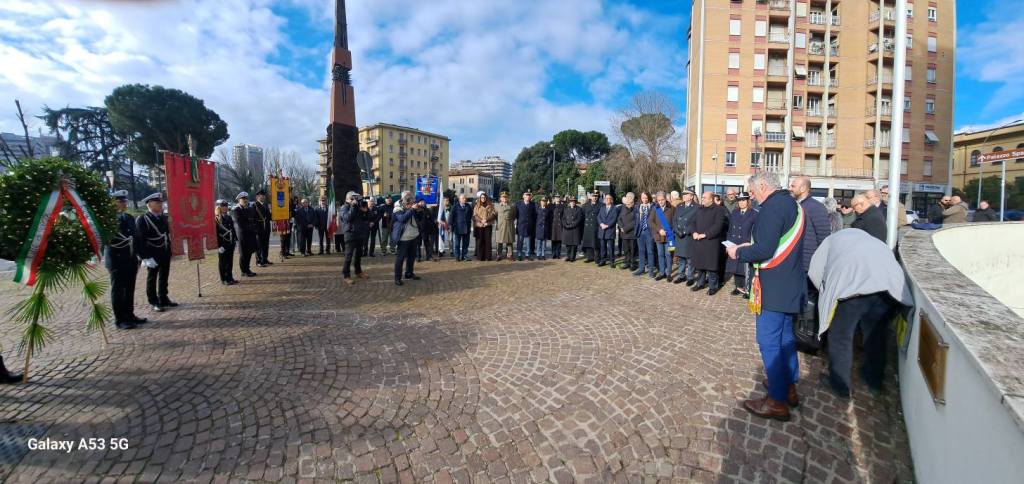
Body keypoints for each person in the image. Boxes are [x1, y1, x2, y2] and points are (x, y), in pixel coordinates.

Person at [726, 171, 805, 421]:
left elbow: (764, 249)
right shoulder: (792, 204)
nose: (751, 196)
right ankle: (788, 387)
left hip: (774, 286)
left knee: (769, 341)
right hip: (790, 283)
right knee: (785, 339)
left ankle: (776, 401)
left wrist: (738, 252)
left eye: (751, 191)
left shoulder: (772, 207)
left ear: (762, 186)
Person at [808, 229, 913, 397]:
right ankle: (874, 380)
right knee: (876, 335)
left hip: (852, 293)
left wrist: (824, 292)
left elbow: (816, 272)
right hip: (887, 291)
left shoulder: (831, 240)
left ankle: (840, 384)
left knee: (840, 337)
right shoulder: (874, 241)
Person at [105, 190, 145, 329]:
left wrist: (141, 256)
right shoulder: (107, 219)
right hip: (116, 259)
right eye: (121, 201)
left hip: (130, 258)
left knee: (129, 289)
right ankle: (120, 319)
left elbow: (136, 237)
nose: (124, 203)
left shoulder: (128, 217)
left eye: (124, 201)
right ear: (113, 203)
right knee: (118, 290)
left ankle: (130, 315)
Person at [136, 192, 176, 312]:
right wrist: (146, 257)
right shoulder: (143, 219)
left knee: (164, 275)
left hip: (164, 251)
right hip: (152, 253)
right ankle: (153, 301)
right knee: (152, 278)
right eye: (158, 203)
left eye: (161, 203)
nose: (161, 205)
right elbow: (140, 240)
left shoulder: (163, 217)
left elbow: (167, 234)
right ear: (150, 204)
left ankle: (163, 297)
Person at [789, 176, 832, 273]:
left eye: (793, 186)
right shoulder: (793, 205)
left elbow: (824, 237)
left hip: (807, 263)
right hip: (794, 260)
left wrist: (819, 261)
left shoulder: (816, 207)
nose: (790, 188)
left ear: (803, 188)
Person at [688, 191, 727, 295]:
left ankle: (713, 286)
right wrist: (694, 232)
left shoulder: (719, 210)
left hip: (711, 242)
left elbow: (718, 226)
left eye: (705, 197)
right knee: (700, 264)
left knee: (711, 267)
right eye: (702, 197)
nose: (702, 199)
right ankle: (700, 283)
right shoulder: (699, 209)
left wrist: (705, 234)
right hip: (699, 241)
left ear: (711, 199)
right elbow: (692, 222)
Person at [725, 193, 757, 297]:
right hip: (734, 243)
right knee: (735, 267)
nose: (741, 202)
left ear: (748, 201)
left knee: (745, 268)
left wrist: (751, 243)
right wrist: (728, 244)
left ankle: (747, 289)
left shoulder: (754, 214)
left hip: (745, 243)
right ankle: (738, 287)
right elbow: (729, 230)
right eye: (739, 200)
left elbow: (755, 231)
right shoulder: (734, 212)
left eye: (743, 200)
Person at [392, 192, 422, 285]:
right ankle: (397, 278)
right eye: (409, 200)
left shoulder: (411, 206)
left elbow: (419, 218)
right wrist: (412, 209)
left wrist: (419, 210)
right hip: (403, 237)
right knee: (400, 258)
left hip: (413, 235)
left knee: (411, 257)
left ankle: (409, 273)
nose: (411, 203)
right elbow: (402, 219)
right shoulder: (398, 207)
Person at [340, 191, 370, 285]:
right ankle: (346, 275)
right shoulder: (344, 207)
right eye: (355, 198)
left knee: (358, 255)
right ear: (349, 198)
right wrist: (353, 206)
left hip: (359, 233)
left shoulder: (357, 207)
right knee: (348, 256)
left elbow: (365, 217)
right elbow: (347, 218)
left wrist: (365, 210)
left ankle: (358, 271)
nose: (356, 200)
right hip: (350, 234)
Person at [671, 190, 698, 284]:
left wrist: (686, 231)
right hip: (679, 235)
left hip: (688, 235)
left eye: (686, 195)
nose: (684, 196)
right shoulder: (679, 206)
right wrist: (676, 230)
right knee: (681, 258)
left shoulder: (696, 207)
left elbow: (696, 222)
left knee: (690, 258)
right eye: (683, 194)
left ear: (691, 196)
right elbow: (674, 220)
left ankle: (690, 277)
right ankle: (681, 275)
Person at [648, 191, 675, 281]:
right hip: (658, 236)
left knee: (668, 254)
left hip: (669, 237)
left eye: (662, 199)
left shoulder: (672, 208)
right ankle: (662, 272)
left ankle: (669, 274)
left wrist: (670, 231)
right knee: (660, 254)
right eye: (658, 200)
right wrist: (659, 230)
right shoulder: (655, 209)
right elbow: (650, 222)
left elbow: (675, 222)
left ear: (665, 199)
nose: (660, 202)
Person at [231, 192, 259, 277]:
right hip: (243, 235)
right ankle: (244, 271)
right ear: (239, 200)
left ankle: (247, 268)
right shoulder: (236, 210)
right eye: (243, 199)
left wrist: (254, 227)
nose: (245, 200)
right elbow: (240, 224)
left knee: (249, 252)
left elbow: (254, 220)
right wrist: (252, 227)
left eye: (246, 199)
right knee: (244, 254)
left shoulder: (250, 209)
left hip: (251, 234)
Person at [215, 199, 239, 286]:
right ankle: (223, 279)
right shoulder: (217, 219)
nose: (224, 208)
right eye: (222, 206)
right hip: (222, 243)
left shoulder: (228, 217)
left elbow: (232, 229)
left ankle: (230, 277)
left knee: (230, 261)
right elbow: (215, 233)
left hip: (230, 242)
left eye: (225, 206)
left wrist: (235, 240)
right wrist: (219, 245)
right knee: (222, 262)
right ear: (219, 207)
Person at [633, 192, 655, 278]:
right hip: (640, 231)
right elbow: (635, 219)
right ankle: (641, 268)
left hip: (649, 232)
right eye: (643, 198)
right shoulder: (638, 206)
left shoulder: (653, 206)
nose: (644, 199)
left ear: (649, 198)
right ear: (640, 198)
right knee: (641, 251)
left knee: (650, 251)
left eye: (646, 198)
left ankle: (651, 271)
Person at [597, 193, 620, 267]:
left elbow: (614, 219)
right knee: (602, 247)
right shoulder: (602, 208)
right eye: (606, 198)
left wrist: (607, 225)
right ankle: (603, 260)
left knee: (611, 248)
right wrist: (601, 224)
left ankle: (611, 261)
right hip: (602, 231)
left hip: (610, 231)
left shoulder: (615, 208)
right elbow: (598, 217)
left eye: (609, 198)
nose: (607, 200)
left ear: (611, 200)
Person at [472, 192, 497, 261]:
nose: (483, 199)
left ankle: (488, 257)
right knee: (480, 241)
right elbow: (474, 215)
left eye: (484, 197)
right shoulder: (477, 206)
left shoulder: (491, 205)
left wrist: (486, 220)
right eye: (482, 197)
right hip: (479, 226)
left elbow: (493, 215)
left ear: (486, 198)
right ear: (480, 198)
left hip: (488, 225)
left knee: (488, 241)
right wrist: (481, 221)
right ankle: (480, 257)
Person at [617, 193, 637, 271]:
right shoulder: (623, 208)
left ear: (633, 203)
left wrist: (625, 228)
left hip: (631, 233)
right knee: (626, 249)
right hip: (624, 233)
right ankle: (627, 262)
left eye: (629, 203)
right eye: (627, 203)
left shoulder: (636, 209)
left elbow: (636, 221)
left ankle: (633, 263)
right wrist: (621, 227)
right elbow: (619, 219)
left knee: (632, 249)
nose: (628, 205)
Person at [450, 194, 473, 261]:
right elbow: (451, 217)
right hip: (457, 228)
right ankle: (457, 257)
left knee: (465, 244)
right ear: (459, 199)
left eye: (465, 198)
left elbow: (471, 215)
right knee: (457, 244)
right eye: (463, 198)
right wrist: (450, 225)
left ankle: (464, 256)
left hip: (466, 228)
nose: (464, 199)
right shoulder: (455, 207)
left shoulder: (468, 206)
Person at [515, 191, 537, 261]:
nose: (528, 196)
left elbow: (534, 215)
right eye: (526, 195)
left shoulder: (533, 204)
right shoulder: (518, 204)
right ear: (523, 196)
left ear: (530, 197)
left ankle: (528, 254)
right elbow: (516, 214)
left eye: (529, 195)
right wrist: (516, 224)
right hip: (521, 225)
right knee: (520, 241)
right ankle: (519, 254)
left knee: (528, 242)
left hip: (529, 226)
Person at [494, 192, 516, 261]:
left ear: (508, 198)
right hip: (500, 226)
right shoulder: (497, 206)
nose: (504, 198)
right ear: (500, 198)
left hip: (509, 226)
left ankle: (509, 255)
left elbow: (514, 216)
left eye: (506, 197)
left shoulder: (512, 206)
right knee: (499, 241)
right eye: (503, 197)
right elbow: (495, 216)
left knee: (509, 241)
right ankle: (499, 255)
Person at [253, 190, 273, 267]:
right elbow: (253, 218)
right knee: (259, 245)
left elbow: (269, 216)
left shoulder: (265, 205)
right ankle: (259, 261)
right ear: (257, 197)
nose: (263, 197)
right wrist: (256, 229)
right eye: (261, 195)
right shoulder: (255, 205)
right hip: (259, 228)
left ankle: (265, 259)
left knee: (265, 245)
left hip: (266, 227)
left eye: (264, 195)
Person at [560, 197, 584, 261]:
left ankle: (572, 257)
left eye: (573, 201)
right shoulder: (566, 209)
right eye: (571, 201)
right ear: (569, 202)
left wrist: (572, 225)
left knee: (574, 244)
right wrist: (565, 225)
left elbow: (579, 219)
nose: (572, 202)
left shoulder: (579, 209)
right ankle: (568, 256)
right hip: (567, 229)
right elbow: (563, 218)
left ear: (575, 202)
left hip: (575, 229)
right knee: (568, 244)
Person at [581, 192, 600, 263]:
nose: (594, 197)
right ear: (590, 197)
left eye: (596, 196)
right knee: (588, 243)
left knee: (596, 244)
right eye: (593, 196)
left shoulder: (600, 205)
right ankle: (590, 257)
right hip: (587, 227)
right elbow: (582, 216)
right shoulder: (585, 206)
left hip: (596, 227)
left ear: (597, 197)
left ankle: (597, 258)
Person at [550, 195, 564, 259]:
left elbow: (563, 216)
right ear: (554, 199)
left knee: (559, 240)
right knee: (553, 240)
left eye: (558, 197)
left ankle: (558, 254)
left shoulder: (562, 206)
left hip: (560, 224)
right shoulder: (551, 206)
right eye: (556, 198)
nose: (557, 199)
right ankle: (553, 253)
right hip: (553, 224)